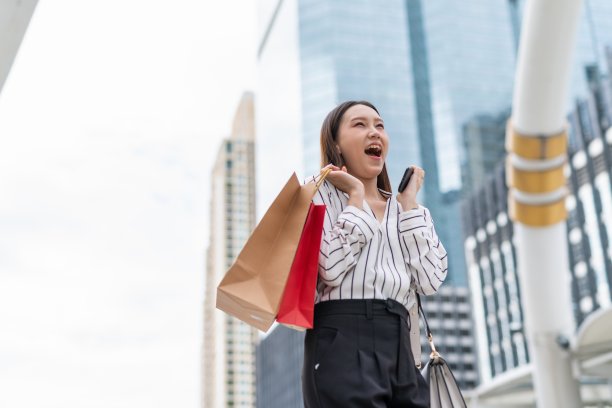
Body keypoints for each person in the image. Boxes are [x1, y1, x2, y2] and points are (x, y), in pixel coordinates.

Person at [302, 101, 448, 407]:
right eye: (360, 125)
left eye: (379, 126)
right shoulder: (317, 195)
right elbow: (331, 267)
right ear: (337, 145)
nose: (374, 133)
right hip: (342, 337)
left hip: (401, 342)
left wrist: (409, 207)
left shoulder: (407, 210)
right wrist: (356, 198)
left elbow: (431, 280)